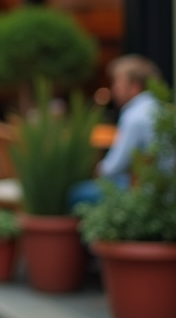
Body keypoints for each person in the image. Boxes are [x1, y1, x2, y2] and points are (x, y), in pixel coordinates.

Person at [69, 54, 162, 207]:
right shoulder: (166, 110)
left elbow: (113, 167)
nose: (114, 90)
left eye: (118, 83)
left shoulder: (134, 115)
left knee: (77, 193)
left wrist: (95, 170)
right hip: (171, 191)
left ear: (135, 86)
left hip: (143, 193)